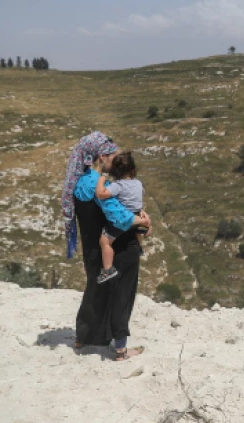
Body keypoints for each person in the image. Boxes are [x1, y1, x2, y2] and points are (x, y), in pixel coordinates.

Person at [63, 132, 151, 361]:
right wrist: (141, 220)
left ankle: (83, 337)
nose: (118, 160)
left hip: (94, 249)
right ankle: (121, 350)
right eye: (115, 156)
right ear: (102, 157)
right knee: (122, 297)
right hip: (120, 248)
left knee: (96, 290)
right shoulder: (99, 185)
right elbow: (120, 217)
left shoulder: (80, 181)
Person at [95, 151, 146, 283]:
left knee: (105, 241)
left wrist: (102, 179)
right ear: (133, 170)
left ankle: (108, 269)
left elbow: (101, 194)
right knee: (136, 232)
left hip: (123, 219)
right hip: (136, 215)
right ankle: (139, 248)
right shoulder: (138, 183)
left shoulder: (118, 186)